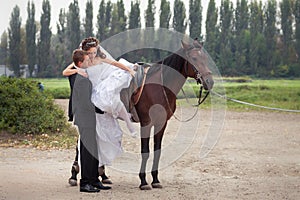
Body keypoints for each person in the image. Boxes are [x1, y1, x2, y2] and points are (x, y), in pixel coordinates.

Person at [71, 49, 111, 193]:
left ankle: (94, 180)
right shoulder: (78, 78)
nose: (90, 62)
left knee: (93, 150)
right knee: (87, 152)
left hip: (90, 118)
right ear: (80, 63)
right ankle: (85, 183)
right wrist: (101, 108)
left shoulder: (84, 76)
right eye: (87, 60)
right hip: (84, 119)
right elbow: (86, 102)